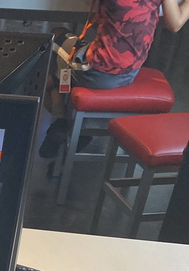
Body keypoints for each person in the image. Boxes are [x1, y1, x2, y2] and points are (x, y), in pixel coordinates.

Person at [40, 0, 189, 159]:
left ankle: (60, 119)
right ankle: (67, 122)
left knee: (56, 38)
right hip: (130, 72)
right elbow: (175, 24)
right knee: (62, 68)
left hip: (97, 73)